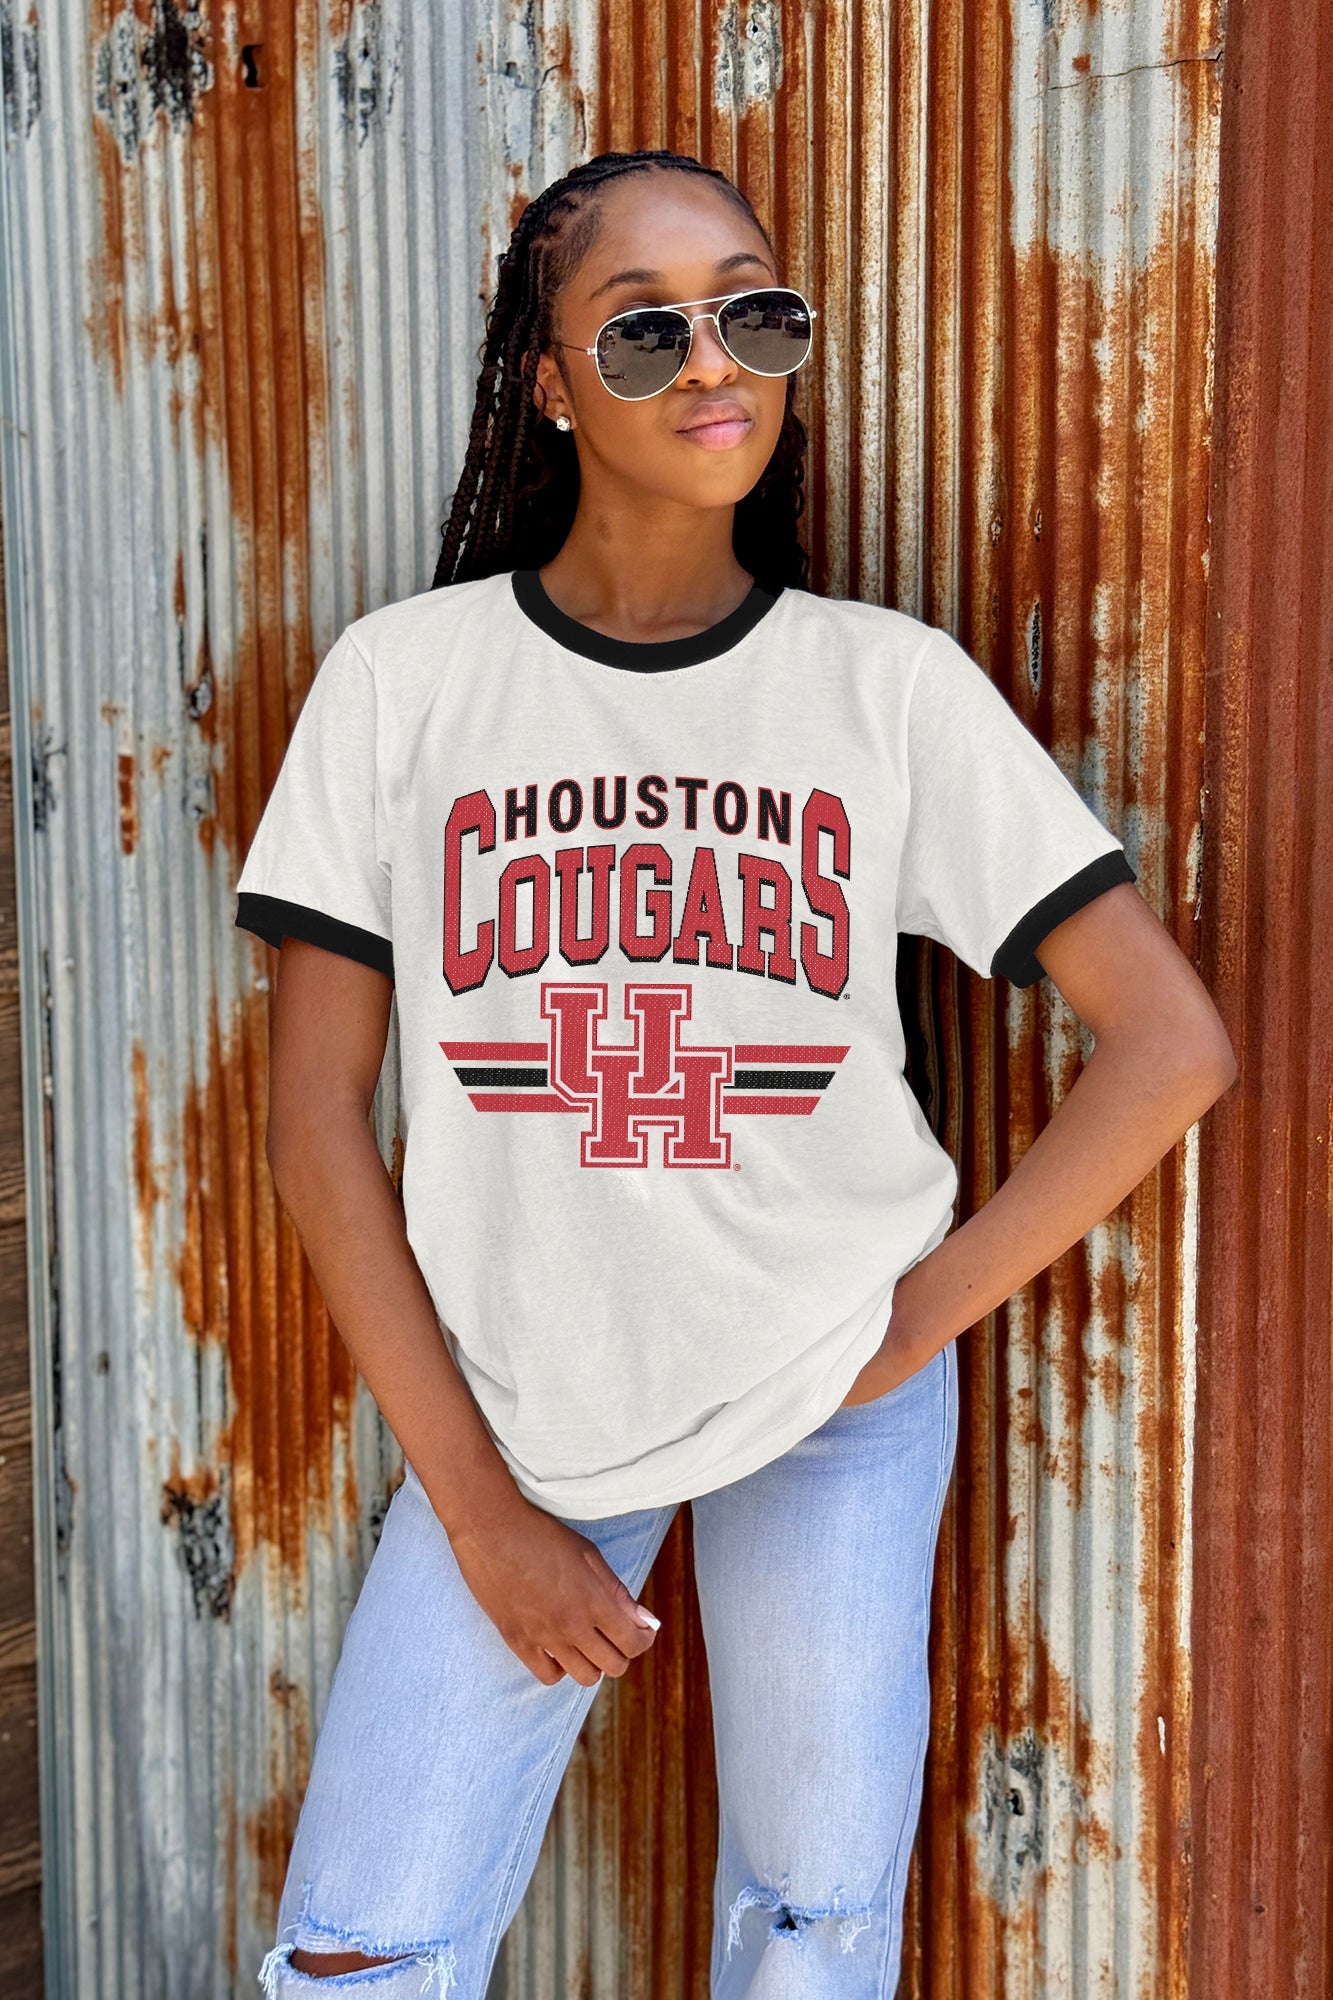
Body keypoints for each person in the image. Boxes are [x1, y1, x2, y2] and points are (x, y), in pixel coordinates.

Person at [237, 149, 1236, 1996]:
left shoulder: (884, 686)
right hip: (522, 1408)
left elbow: (1169, 1044)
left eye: (753, 314)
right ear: (547, 381)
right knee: (358, 1949)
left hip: (833, 1393)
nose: (712, 363)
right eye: (643, 330)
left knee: (811, 1926)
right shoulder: (405, 682)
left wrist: (902, 1327)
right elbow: (313, 1125)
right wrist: (480, 1514)